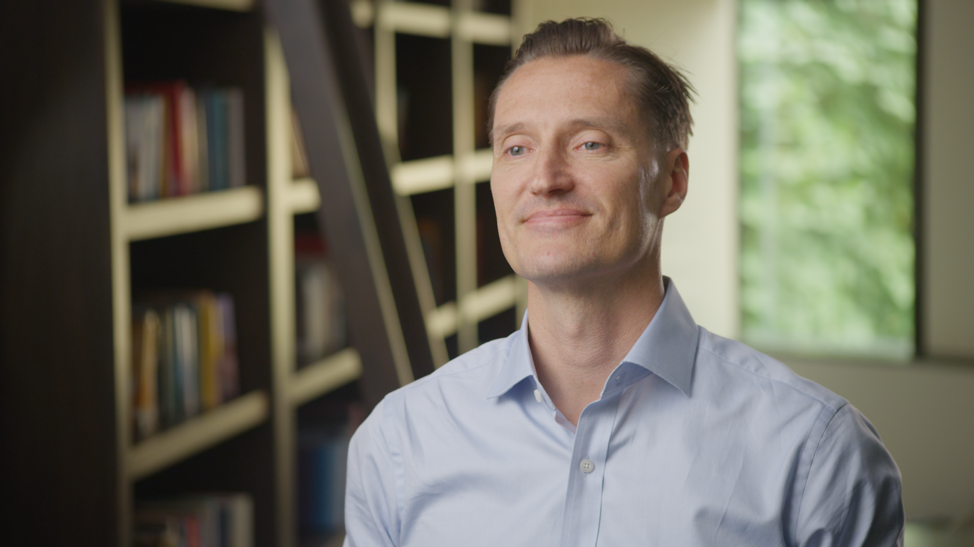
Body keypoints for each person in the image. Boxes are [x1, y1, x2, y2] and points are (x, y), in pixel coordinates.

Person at [343, 18, 903, 547]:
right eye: (516, 148)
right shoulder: (398, 442)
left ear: (673, 182)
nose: (545, 179)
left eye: (589, 143)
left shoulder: (817, 453)